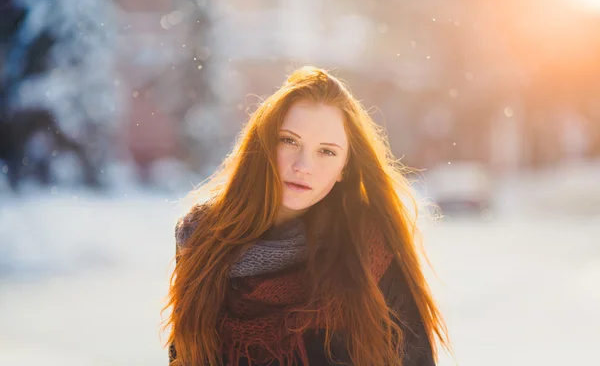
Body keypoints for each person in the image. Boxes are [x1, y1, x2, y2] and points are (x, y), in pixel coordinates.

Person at [162, 66, 450, 365]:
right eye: (289, 140)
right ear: (264, 143)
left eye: (326, 152)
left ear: (345, 169)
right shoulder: (201, 237)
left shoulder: (369, 248)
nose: (303, 165)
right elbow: (183, 354)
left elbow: (414, 357)